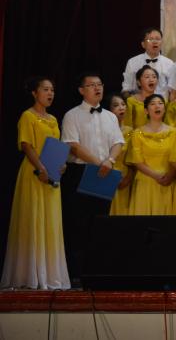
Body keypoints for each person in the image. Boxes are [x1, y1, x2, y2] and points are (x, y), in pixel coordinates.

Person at [1, 77, 69, 290]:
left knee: (50, 222)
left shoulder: (53, 119)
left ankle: (50, 274)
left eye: (52, 90)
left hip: (51, 176)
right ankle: (29, 274)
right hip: (34, 173)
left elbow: (57, 146)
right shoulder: (27, 116)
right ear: (34, 93)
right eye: (46, 89)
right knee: (33, 219)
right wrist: (40, 168)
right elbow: (26, 145)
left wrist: (61, 165)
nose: (50, 94)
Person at [60, 72, 125, 282]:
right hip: (81, 173)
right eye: (91, 85)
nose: (97, 88)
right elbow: (73, 145)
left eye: (99, 84)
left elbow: (118, 142)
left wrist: (110, 161)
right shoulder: (72, 115)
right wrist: (100, 163)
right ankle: (77, 274)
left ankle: (98, 272)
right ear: (81, 90)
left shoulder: (110, 116)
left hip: (105, 171)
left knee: (101, 223)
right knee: (79, 224)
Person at [127, 94, 176, 215]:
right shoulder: (137, 133)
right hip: (145, 182)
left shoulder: (173, 132)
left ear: (164, 109)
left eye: (160, 103)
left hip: (168, 181)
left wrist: (170, 175)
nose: (157, 106)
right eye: (153, 104)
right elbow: (137, 161)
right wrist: (156, 176)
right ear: (146, 111)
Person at [121, 27, 175, 98]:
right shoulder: (132, 62)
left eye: (158, 39)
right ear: (143, 44)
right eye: (150, 39)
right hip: (139, 102)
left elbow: (173, 89)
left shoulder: (169, 63)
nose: (155, 42)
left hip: (162, 103)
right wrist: (132, 101)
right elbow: (126, 88)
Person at [107, 94, 133, 215]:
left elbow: (133, 158)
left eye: (123, 104)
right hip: (106, 175)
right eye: (116, 105)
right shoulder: (104, 130)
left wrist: (128, 178)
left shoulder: (131, 131)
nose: (121, 108)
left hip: (125, 178)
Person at [125, 65, 159, 129]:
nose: (151, 80)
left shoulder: (162, 101)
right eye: (147, 77)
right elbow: (127, 126)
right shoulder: (131, 101)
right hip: (137, 135)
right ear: (138, 82)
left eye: (154, 77)